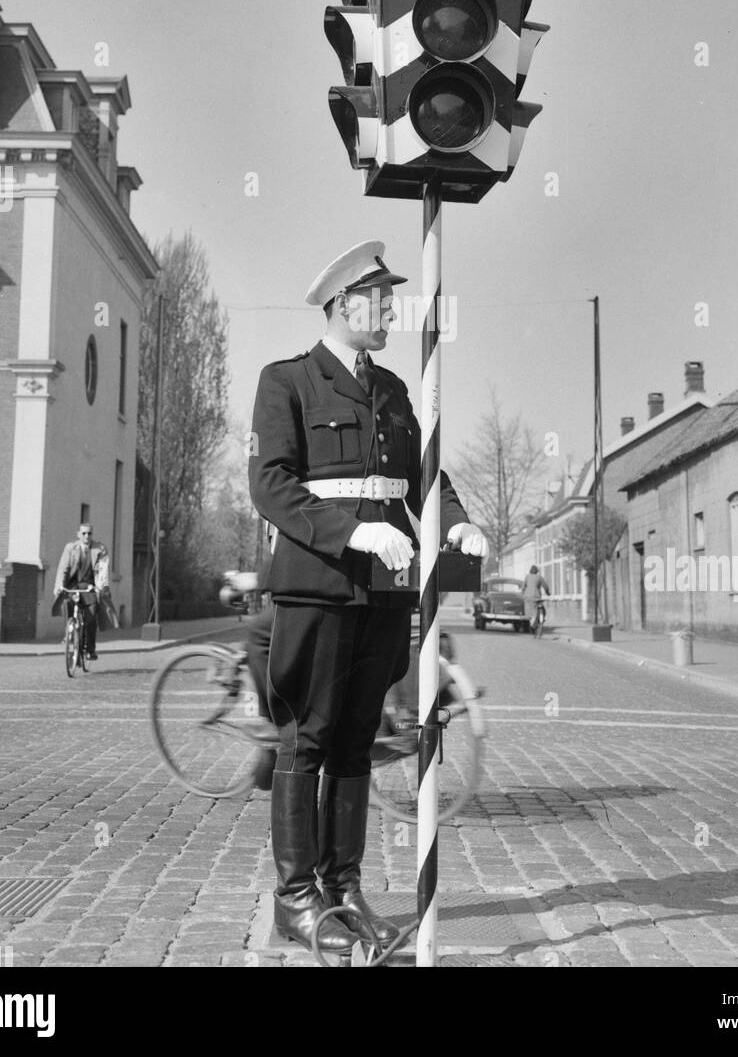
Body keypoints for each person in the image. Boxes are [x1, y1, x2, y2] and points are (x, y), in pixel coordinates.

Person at [249, 240, 488, 957]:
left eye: (391, 299)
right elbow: (272, 485)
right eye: (379, 299)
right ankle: (297, 899)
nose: (389, 310)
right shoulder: (286, 381)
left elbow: (424, 478)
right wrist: (354, 536)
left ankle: (344, 890)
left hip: (383, 596)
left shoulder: (391, 390)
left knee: (355, 743)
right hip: (317, 589)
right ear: (341, 303)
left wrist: (458, 521)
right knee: (308, 739)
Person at [51, 523, 106, 660]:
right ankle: (69, 633)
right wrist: (59, 586)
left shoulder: (99, 549)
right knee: (66, 604)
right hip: (73, 585)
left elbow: (103, 571)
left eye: (89, 533)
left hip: (89, 587)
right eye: (84, 533)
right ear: (78, 534)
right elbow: (63, 568)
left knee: (91, 617)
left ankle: (90, 650)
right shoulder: (70, 548)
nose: (86, 536)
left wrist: (99, 587)